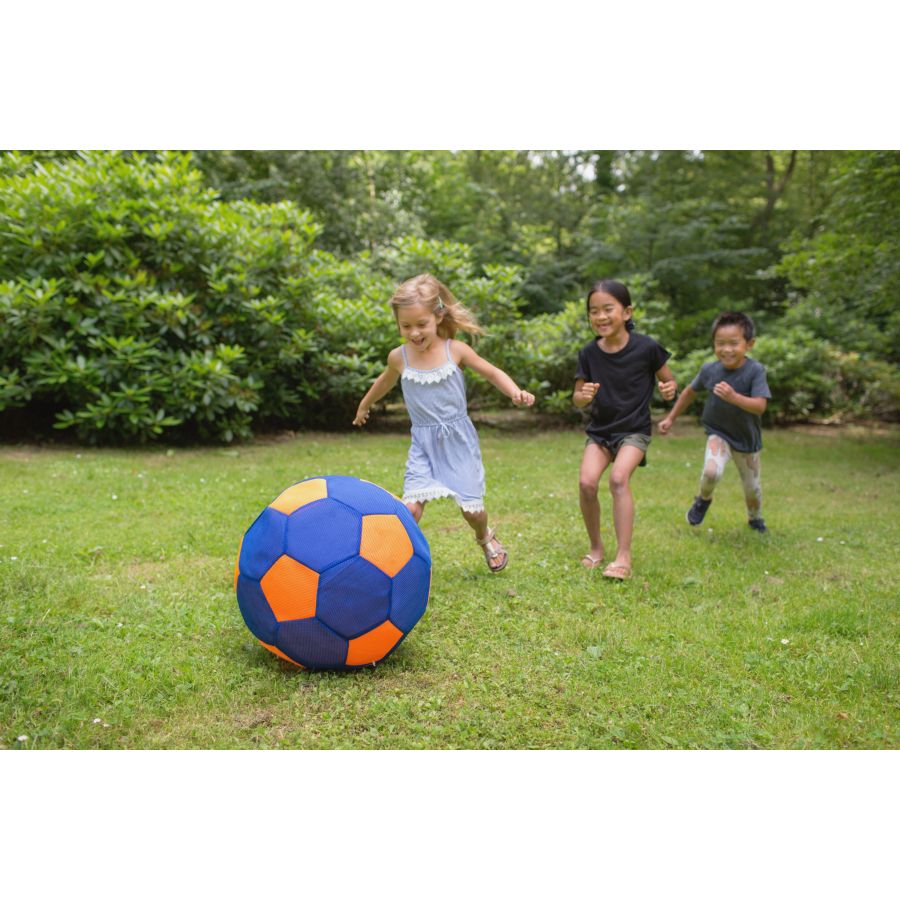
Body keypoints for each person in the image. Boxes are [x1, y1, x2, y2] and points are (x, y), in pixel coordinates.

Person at [353, 273, 535, 572]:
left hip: (458, 441)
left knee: (471, 511)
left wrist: (515, 391)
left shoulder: (455, 350)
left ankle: (484, 537)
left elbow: (490, 372)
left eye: (421, 324)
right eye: (405, 326)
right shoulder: (399, 357)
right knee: (410, 509)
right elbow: (384, 382)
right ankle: (393, 564)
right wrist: (364, 405)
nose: (414, 333)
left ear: (438, 316)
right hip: (423, 443)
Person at [573, 279, 677, 579]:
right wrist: (584, 396)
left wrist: (669, 389)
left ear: (627, 312)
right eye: (594, 311)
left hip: (634, 430)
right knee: (587, 483)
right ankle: (596, 548)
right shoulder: (588, 353)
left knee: (619, 479)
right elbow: (577, 398)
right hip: (601, 431)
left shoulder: (647, 347)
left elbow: (669, 380)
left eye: (608, 309)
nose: (601, 317)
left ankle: (623, 557)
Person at [658, 311, 771, 533]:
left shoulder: (755, 371)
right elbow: (690, 392)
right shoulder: (710, 370)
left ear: (749, 344)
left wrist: (734, 397)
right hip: (718, 432)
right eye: (720, 343)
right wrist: (671, 418)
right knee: (711, 472)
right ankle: (703, 499)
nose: (726, 349)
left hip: (747, 440)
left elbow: (760, 406)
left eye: (734, 343)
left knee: (752, 489)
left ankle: (755, 519)